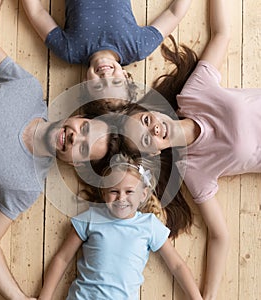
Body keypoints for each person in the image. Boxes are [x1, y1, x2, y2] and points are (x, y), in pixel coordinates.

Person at [0, 0, 118, 299]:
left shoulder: (28, 185)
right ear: (80, 117)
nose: (75, 138)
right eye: (84, 129)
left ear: (77, 165)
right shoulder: (27, 89)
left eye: (83, 150)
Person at [121, 0, 261, 298]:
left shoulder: (194, 94)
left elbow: (222, 34)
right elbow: (219, 235)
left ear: (155, 112)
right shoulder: (193, 170)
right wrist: (207, 296)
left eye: (147, 121)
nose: (154, 129)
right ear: (154, 153)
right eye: (147, 140)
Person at [38, 154, 203, 300]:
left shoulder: (149, 225)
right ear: (104, 193)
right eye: (114, 191)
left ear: (143, 194)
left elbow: (177, 265)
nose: (121, 198)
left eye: (129, 191)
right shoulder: (91, 218)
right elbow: (62, 258)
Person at [20, 0, 193, 99]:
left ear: (86, 84)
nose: (105, 76)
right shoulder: (138, 47)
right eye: (116, 82)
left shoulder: (69, 50)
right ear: (126, 77)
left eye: (99, 86)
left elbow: (36, 13)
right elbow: (174, 14)